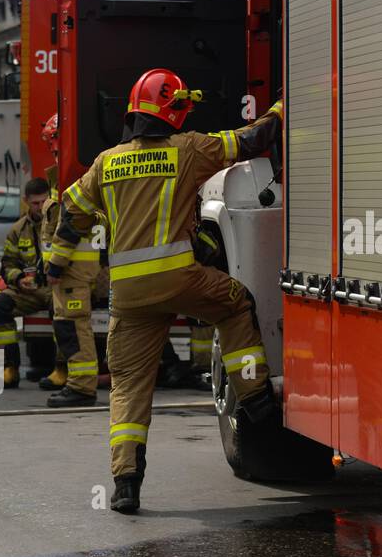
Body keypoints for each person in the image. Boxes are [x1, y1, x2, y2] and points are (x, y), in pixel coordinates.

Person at [51, 68, 282, 513]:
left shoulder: (106, 162)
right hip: (181, 280)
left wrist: (57, 262)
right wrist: (283, 106)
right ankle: (256, 403)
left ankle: (125, 484)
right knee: (235, 306)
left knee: (129, 385)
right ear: (173, 111)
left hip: (129, 296)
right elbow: (253, 139)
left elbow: (71, 211)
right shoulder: (189, 150)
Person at [37, 113, 105, 407]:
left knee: (75, 326)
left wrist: (56, 264)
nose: (51, 148)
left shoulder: (73, 175)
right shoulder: (61, 174)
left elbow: (72, 223)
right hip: (70, 269)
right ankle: (77, 383)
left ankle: (82, 387)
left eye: (53, 141)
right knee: (68, 326)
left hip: (74, 269)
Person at [0, 177, 53, 388]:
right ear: (26, 201)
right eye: (35, 203)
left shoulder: (59, 224)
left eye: (44, 201)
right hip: (28, 291)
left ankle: (62, 369)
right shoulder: (18, 229)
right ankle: (9, 367)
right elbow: (8, 263)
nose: (40, 207)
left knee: (65, 314)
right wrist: (18, 278)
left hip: (55, 289)